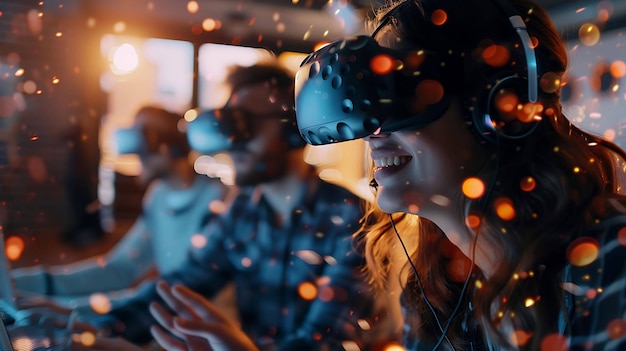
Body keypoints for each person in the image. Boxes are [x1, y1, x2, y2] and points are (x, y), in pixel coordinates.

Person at [156, 0, 626, 350]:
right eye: (368, 101)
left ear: (499, 105)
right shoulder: (436, 286)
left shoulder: (607, 266)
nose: (372, 132)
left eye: (401, 94)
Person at [83, 60, 394, 351]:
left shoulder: (353, 218)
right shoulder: (241, 210)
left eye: (244, 123)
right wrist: (91, 328)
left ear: (292, 129)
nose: (232, 139)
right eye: (228, 124)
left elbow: (325, 341)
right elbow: (181, 286)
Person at [10, 106, 231, 312]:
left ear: (172, 147)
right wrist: (23, 283)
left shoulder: (219, 200)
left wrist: (58, 308)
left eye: (146, 137)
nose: (136, 150)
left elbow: (180, 295)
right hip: (174, 327)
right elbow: (122, 268)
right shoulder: (158, 196)